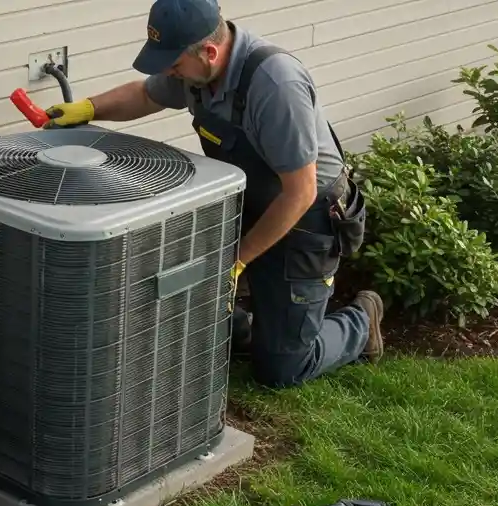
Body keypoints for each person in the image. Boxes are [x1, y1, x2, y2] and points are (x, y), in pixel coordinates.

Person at [42, 0, 383, 388]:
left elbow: (300, 191)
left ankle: (361, 321)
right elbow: (145, 95)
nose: (169, 72)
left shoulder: (275, 86)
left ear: (209, 52)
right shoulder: (196, 72)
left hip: (306, 219)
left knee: (283, 370)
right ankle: (252, 325)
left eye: (173, 64)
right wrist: (86, 108)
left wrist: (238, 260)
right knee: (184, 282)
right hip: (252, 200)